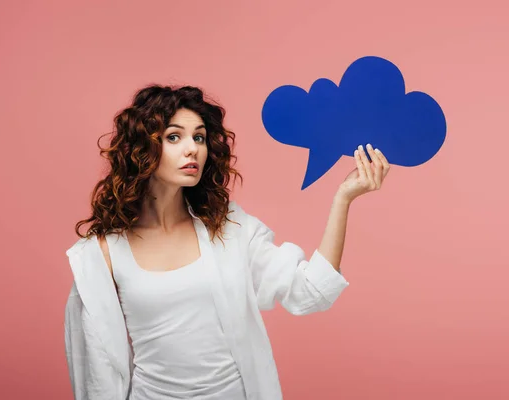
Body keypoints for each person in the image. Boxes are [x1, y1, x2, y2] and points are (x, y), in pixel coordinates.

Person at [64, 84, 390, 400]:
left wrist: (343, 199)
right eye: (174, 136)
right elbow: (96, 377)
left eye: (199, 137)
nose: (192, 148)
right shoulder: (99, 256)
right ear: (141, 149)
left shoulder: (229, 229)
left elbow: (311, 292)